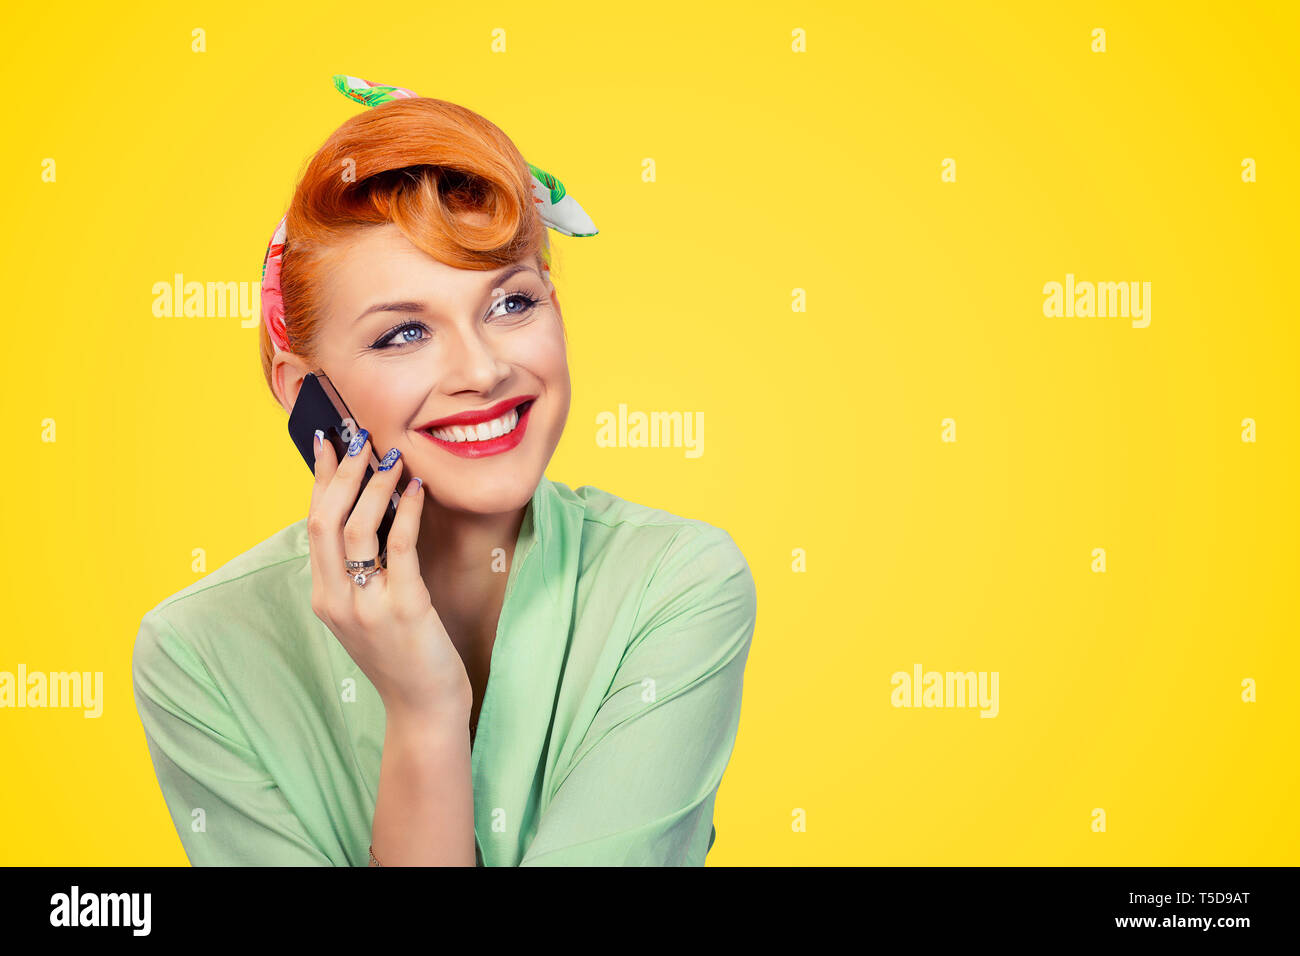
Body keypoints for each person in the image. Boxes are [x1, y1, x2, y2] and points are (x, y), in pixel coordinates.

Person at [131, 75, 757, 866]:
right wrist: (425, 711)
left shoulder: (679, 584)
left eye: (509, 304)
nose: (483, 370)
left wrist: (424, 711)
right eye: (403, 335)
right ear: (306, 395)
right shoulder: (199, 651)